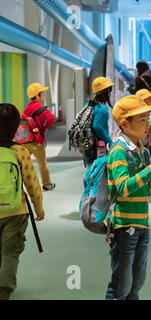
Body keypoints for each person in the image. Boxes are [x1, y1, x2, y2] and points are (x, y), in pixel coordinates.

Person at [105, 95, 151, 300]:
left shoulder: (141, 150)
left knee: (137, 282)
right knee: (121, 286)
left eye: (147, 118)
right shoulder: (118, 151)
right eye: (142, 119)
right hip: (124, 227)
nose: (148, 124)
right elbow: (124, 188)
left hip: (142, 226)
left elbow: (146, 189)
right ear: (125, 123)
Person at [0, 103, 44, 300]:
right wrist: (39, 208)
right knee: (11, 252)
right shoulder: (20, 151)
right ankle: (4, 290)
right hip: (16, 212)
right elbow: (32, 183)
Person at [23, 83, 55, 191]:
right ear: (38, 95)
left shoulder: (27, 108)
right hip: (37, 140)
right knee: (42, 163)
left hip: (25, 140)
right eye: (42, 94)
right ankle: (47, 184)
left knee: (25, 163)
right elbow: (50, 118)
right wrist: (44, 128)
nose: (43, 96)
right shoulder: (41, 108)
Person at [83, 77, 115, 167]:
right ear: (105, 92)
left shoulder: (88, 106)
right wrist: (110, 141)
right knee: (99, 175)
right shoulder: (102, 109)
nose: (110, 93)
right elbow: (97, 126)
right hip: (98, 148)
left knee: (91, 172)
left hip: (88, 146)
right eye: (109, 91)